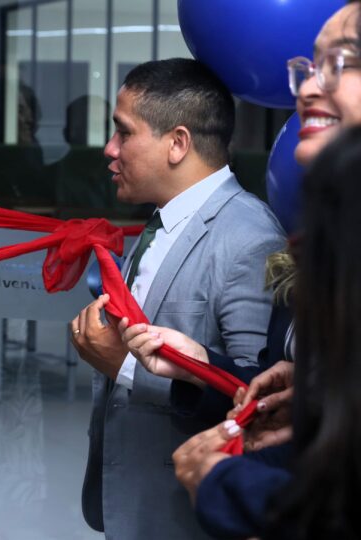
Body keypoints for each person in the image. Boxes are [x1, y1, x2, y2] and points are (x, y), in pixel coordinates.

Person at [123, 3, 361, 537]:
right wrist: (311, 397)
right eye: (308, 67)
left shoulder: (250, 233)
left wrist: (223, 486)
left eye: (341, 62)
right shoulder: (337, 243)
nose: (307, 88)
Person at [68, 58, 286, 539]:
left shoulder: (248, 238)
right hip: (134, 500)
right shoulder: (164, 219)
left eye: (123, 132)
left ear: (178, 143)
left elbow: (255, 404)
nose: (109, 149)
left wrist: (121, 365)